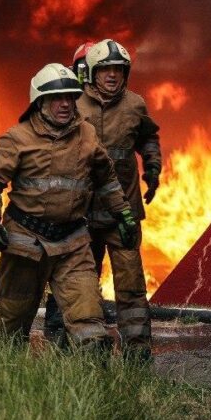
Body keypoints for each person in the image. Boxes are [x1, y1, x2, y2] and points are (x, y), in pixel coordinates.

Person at [0, 63, 139, 349]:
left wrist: (123, 213)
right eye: (56, 98)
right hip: (25, 244)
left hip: (73, 244)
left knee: (92, 331)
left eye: (70, 97)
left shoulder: (87, 135)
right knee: (11, 331)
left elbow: (107, 179)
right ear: (40, 101)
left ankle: (90, 391)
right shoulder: (16, 139)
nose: (65, 104)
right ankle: (1, 387)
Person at [70, 39, 161, 360]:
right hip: (82, 215)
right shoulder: (73, 104)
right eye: (105, 69)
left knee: (131, 284)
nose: (112, 75)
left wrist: (153, 167)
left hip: (124, 214)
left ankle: (137, 351)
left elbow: (148, 137)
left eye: (118, 70)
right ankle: (82, 347)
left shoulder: (135, 105)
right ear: (91, 72)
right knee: (82, 283)